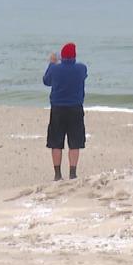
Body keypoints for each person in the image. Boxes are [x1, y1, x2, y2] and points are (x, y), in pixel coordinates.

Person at [43, 42, 87, 181]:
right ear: (74, 56)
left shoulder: (55, 69)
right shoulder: (81, 68)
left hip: (57, 108)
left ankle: (57, 174)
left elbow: (46, 81)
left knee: (56, 142)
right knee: (75, 142)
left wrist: (52, 63)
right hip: (75, 108)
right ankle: (72, 173)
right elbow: (83, 76)